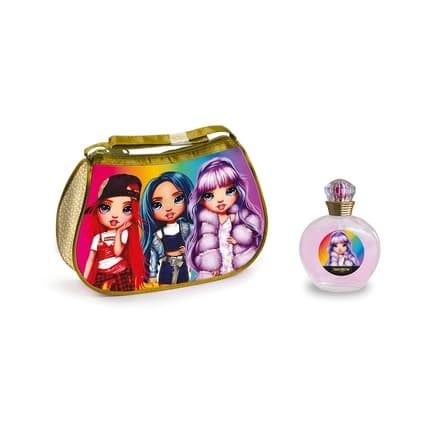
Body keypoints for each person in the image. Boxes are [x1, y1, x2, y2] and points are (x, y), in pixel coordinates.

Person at [187, 157, 262, 279]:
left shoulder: (242, 215)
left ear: (238, 191)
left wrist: (238, 240)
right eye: (209, 195)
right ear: (201, 200)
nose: (220, 200)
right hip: (218, 269)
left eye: (229, 190)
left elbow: (250, 233)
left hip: (239, 264)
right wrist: (211, 265)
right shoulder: (206, 222)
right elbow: (205, 247)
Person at [83, 174, 146, 291]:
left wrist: (119, 232)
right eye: (105, 207)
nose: (115, 215)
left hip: (120, 271)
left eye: (126, 209)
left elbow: (117, 252)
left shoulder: (123, 233)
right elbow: (90, 259)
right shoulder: (98, 237)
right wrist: (85, 279)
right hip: (101, 272)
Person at [141, 172, 193, 285]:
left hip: (183, 266)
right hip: (166, 267)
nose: (169, 208)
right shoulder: (158, 234)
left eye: (178, 198)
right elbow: (155, 255)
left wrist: (189, 249)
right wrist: (153, 274)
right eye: (157, 205)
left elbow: (199, 240)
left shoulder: (187, 227)